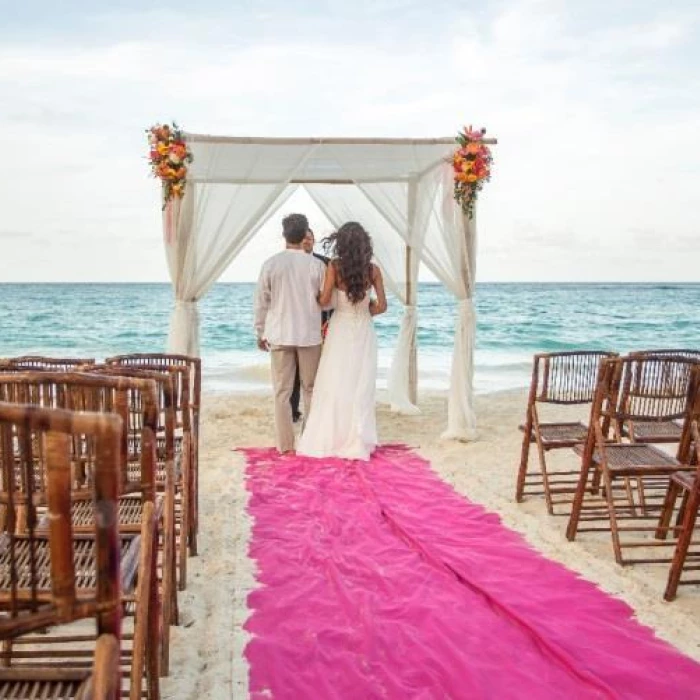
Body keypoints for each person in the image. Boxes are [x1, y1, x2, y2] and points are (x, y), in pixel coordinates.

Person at [297, 221, 387, 461]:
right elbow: (383, 306)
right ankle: (358, 437)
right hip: (364, 330)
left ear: (342, 243)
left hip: (340, 328)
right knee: (361, 383)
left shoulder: (334, 267)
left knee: (335, 382)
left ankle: (333, 436)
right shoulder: (373, 270)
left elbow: (325, 301)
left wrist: (318, 296)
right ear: (364, 244)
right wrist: (366, 310)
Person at [254, 213, 326, 455]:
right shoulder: (317, 265)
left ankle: (285, 446)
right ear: (305, 233)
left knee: (282, 393)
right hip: (309, 335)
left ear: (284, 235)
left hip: (279, 334)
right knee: (311, 389)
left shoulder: (271, 264)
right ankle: (309, 440)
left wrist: (260, 331)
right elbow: (325, 303)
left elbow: (262, 302)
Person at [290, 229, 331, 422]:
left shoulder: (324, 262)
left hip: (320, 323)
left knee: (318, 371)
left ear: (314, 240)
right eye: (304, 236)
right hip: (292, 324)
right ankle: (293, 411)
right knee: (294, 372)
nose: (307, 239)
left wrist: (329, 322)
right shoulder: (287, 262)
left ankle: (319, 411)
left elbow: (329, 295)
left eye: (310, 237)